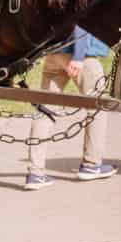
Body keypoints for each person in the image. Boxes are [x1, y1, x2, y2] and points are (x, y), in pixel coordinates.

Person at [23, 26, 114, 189]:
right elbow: (81, 21)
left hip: (54, 53)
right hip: (80, 55)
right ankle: (91, 165)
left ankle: (35, 173)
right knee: (98, 106)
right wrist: (78, 56)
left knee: (45, 111)